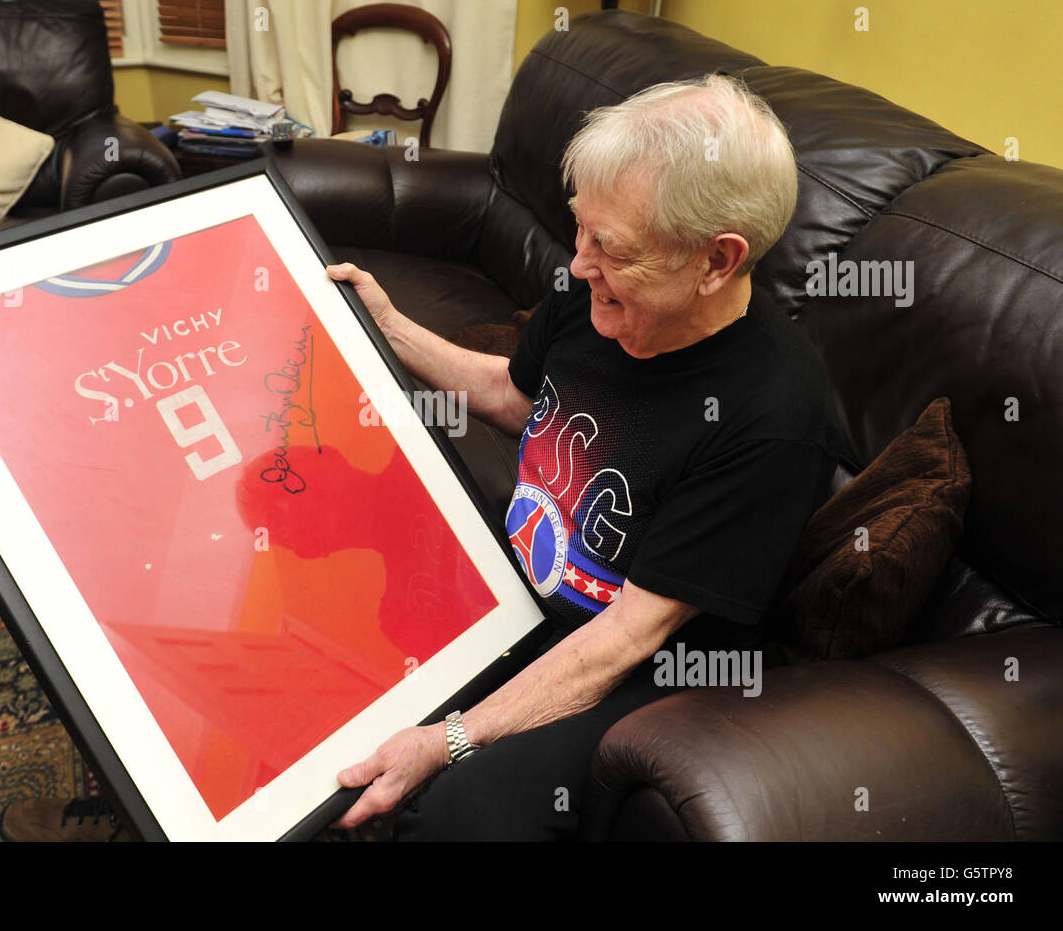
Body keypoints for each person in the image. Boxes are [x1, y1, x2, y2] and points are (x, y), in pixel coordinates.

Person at [322, 73, 842, 840]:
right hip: (525, 584)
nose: (578, 262)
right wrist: (391, 328)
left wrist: (450, 741)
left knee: (460, 816)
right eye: (581, 229)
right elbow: (514, 395)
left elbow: (631, 633)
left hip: (639, 666)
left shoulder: (774, 415)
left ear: (716, 260)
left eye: (613, 247)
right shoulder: (596, 286)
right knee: (339, 662)